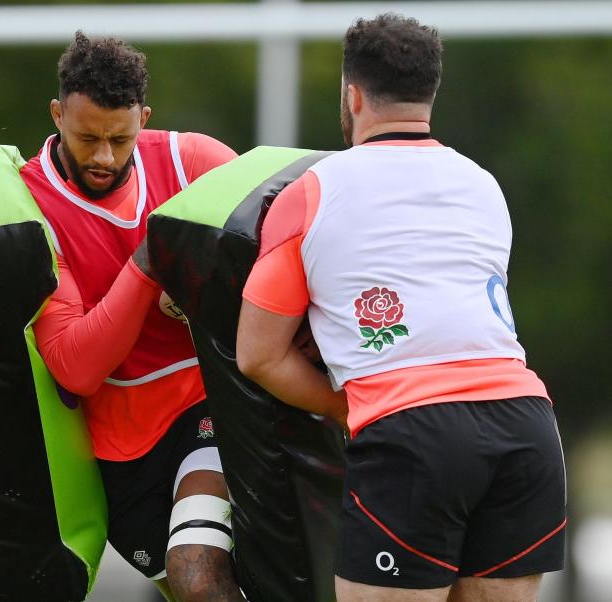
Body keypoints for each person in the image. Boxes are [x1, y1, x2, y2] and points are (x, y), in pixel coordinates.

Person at [236, 13, 566, 602]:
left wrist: (344, 407)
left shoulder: (309, 192)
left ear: (353, 94)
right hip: (526, 425)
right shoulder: (484, 185)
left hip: (415, 432)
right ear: (430, 93)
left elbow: (257, 354)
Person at [19, 32, 243, 601]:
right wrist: (152, 262)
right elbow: (75, 367)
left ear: (144, 117)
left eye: (120, 139)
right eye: (86, 136)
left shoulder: (195, 162)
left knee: (198, 573)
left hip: (207, 404)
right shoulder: (31, 206)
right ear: (56, 113)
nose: (102, 156)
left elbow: (275, 259)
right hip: (121, 449)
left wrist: (203, 291)